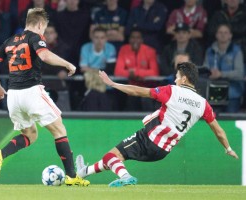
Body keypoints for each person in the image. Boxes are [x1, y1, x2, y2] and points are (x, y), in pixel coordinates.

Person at [75, 63, 239, 187]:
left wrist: (113, 84)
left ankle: (125, 177)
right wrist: (228, 148)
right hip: (163, 151)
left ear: (184, 79)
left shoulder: (172, 91)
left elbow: (139, 91)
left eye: (177, 76)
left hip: (149, 139)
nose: (175, 79)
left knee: (111, 156)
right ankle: (84, 172)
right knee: (115, 158)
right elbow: (219, 131)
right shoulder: (203, 104)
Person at [0, 8, 89, 186]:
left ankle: (1, 154)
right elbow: (45, 55)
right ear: (40, 24)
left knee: (30, 134)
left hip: (13, 96)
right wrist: (67, 64)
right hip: (31, 92)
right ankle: (72, 176)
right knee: (59, 130)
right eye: (44, 28)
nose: (43, 33)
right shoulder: (35, 38)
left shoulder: (10, 41)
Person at [114, 28, 159, 111]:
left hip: (147, 88)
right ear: (129, 39)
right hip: (130, 88)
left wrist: (136, 72)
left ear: (142, 40)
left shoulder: (150, 51)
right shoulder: (124, 49)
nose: (135, 40)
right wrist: (130, 74)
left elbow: (154, 72)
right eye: (133, 37)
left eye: (138, 37)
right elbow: (118, 71)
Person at [203, 24, 244, 113]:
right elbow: (205, 70)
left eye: (226, 32)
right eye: (220, 32)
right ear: (216, 35)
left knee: (229, 118)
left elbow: (240, 73)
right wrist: (209, 74)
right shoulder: (210, 51)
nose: (223, 35)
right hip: (212, 93)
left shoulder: (236, 51)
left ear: (230, 35)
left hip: (232, 94)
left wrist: (221, 74)